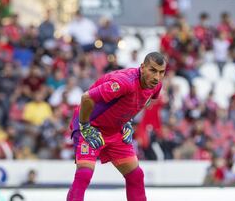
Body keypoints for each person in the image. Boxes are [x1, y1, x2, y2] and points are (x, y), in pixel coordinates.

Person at [66, 52, 166, 201]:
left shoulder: (155, 86)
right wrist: (85, 126)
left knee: (136, 176)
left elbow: (139, 101)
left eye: (161, 72)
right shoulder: (124, 82)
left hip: (115, 130)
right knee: (84, 174)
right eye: (153, 70)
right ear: (143, 67)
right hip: (90, 126)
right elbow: (87, 97)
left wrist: (127, 120)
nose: (157, 77)